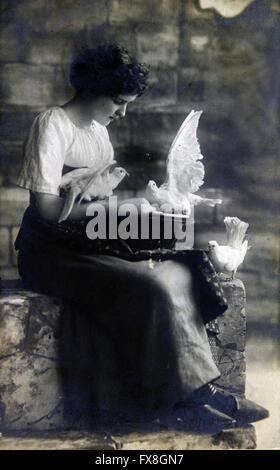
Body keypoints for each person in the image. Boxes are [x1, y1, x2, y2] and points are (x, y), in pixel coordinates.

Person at [15, 44, 268, 431]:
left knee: (175, 273)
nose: (123, 112)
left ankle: (200, 393)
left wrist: (139, 207)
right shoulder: (53, 125)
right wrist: (121, 210)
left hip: (89, 239)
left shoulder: (99, 133)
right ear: (91, 89)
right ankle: (177, 402)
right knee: (147, 282)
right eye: (117, 101)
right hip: (49, 249)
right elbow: (48, 210)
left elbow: (98, 195)